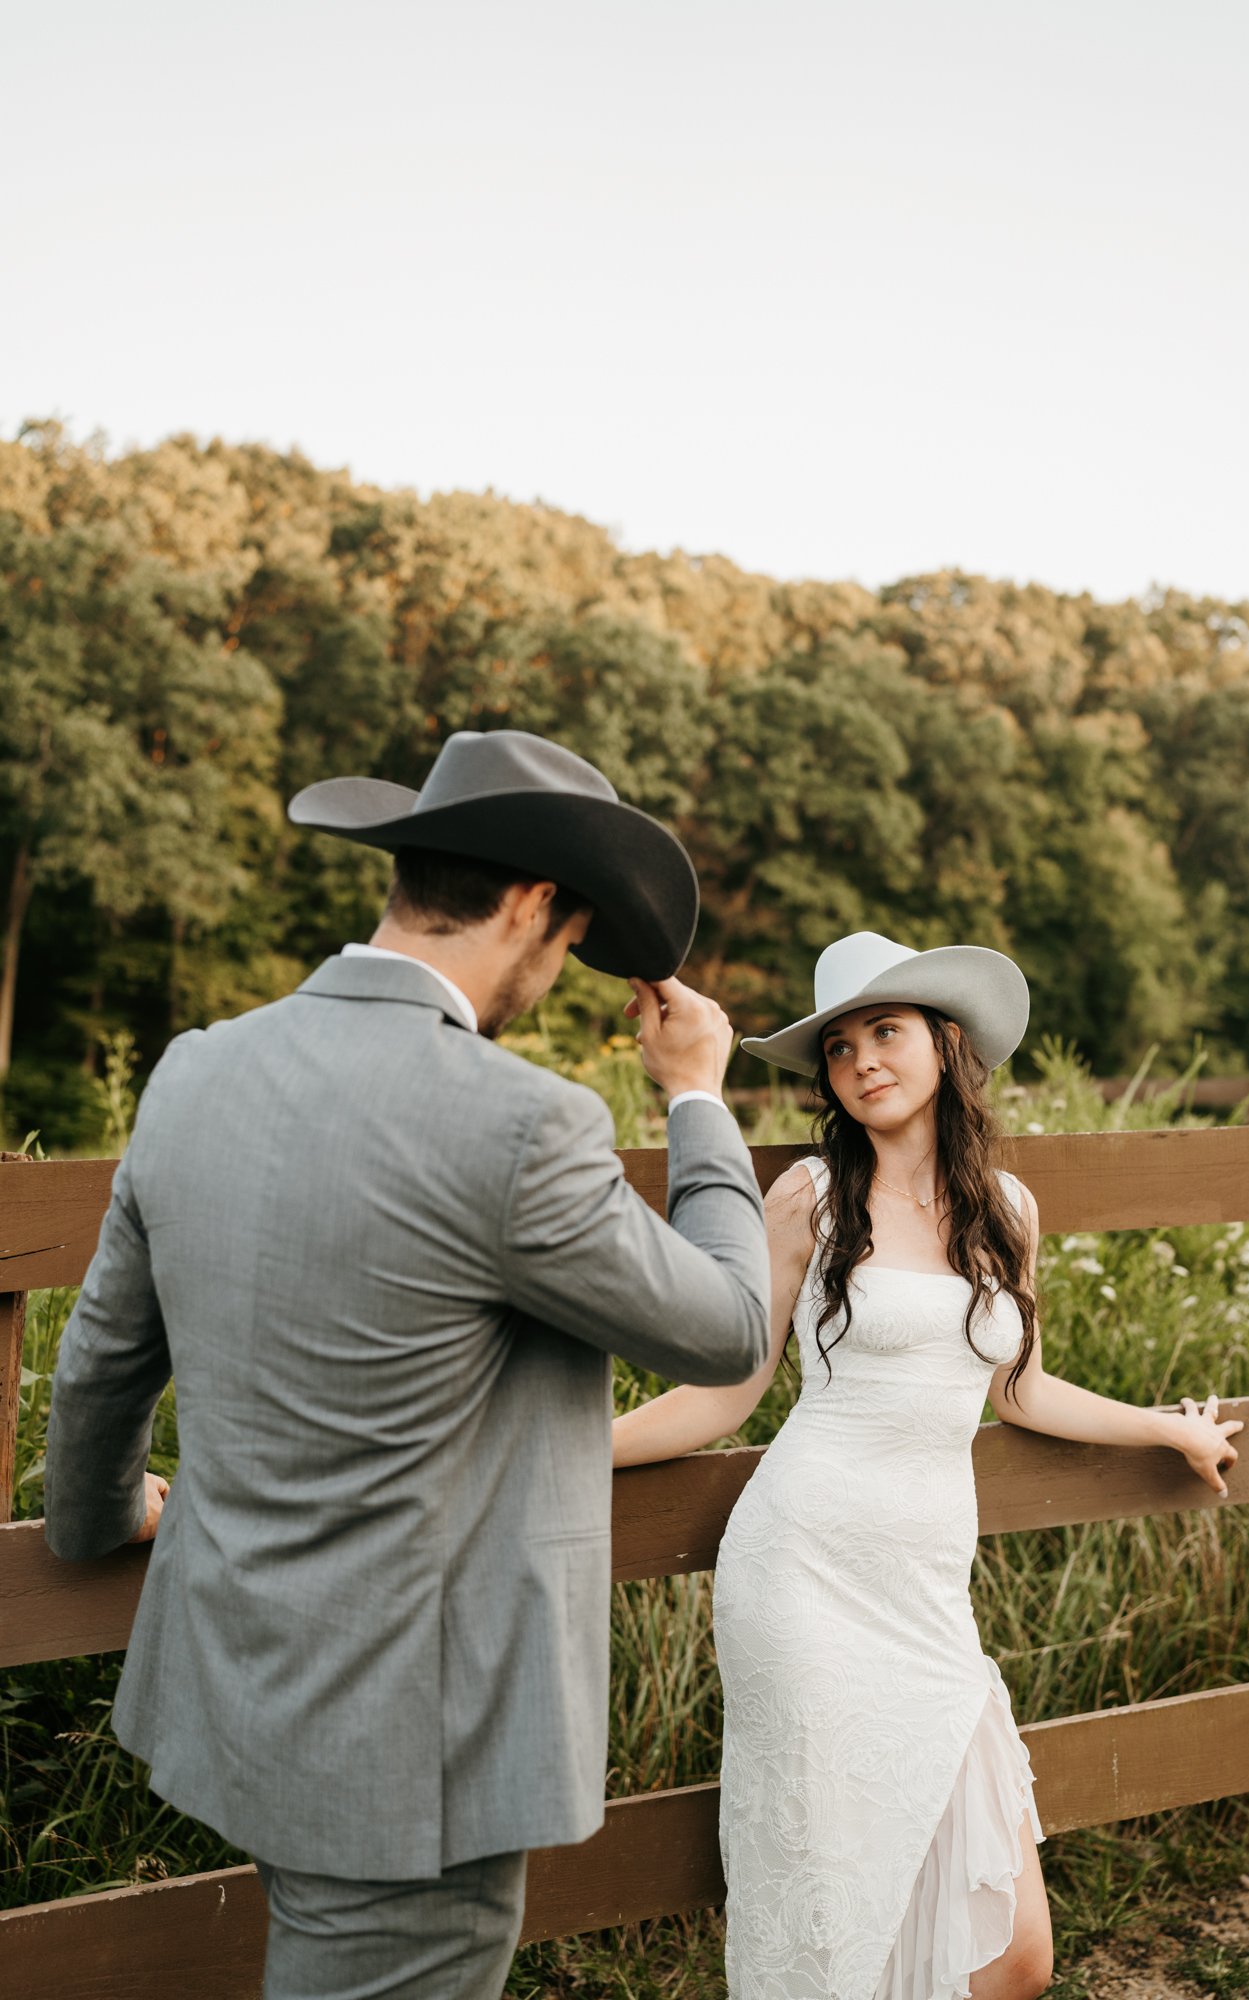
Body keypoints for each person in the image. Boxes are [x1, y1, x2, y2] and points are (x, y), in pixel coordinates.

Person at [43, 727, 771, 2000]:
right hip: (416, 1752)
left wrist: (97, 1518)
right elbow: (724, 1326)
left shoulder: (194, 1070)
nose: (555, 972)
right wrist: (698, 1101)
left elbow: (103, 1363)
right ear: (534, 904)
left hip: (237, 1685)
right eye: (569, 937)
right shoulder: (523, 1123)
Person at [612, 930, 1245, 2000]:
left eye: (885, 1030)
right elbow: (725, 1392)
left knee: (1010, 1957)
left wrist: (1165, 1426)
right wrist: (568, 1448)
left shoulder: (1010, 1207)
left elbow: (1022, 1387)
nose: (861, 1059)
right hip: (803, 1572)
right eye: (840, 1045)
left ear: (946, 1044)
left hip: (925, 1597)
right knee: (834, 1913)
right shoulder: (807, 1198)